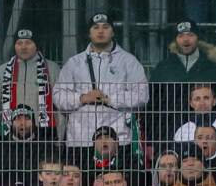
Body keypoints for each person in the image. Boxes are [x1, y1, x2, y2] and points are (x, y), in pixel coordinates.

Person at [53, 13, 149, 155]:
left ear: (113, 32)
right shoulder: (74, 63)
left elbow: (142, 96)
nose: (100, 31)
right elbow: (58, 97)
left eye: (105, 27)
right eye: (95, 27)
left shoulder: (129, 61)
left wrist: (109, 99)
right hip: (80, 140)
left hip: (118, 140)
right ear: (89, 33)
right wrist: (82, 98)